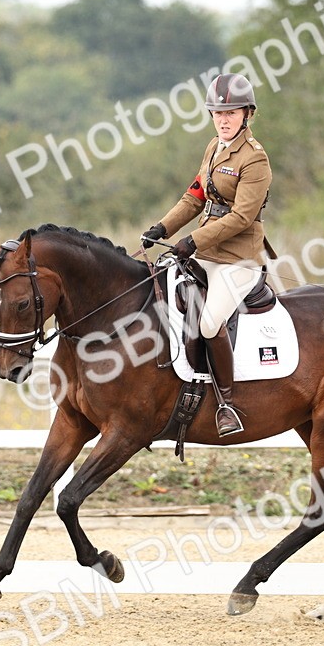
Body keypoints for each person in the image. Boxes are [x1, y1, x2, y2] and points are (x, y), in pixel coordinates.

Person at [140, 72, 272, 437]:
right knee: (161, 295)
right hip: (204, 252)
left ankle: (226, 403)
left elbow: (242, 216)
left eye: (231, 113)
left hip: (238, 259)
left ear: (247, 114)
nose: (224, 119)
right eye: (218, 113)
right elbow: (195, 197)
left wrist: (194, 240)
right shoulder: (214, 148)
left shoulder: (255, 160)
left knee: (210, 322)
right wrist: (162, 229)